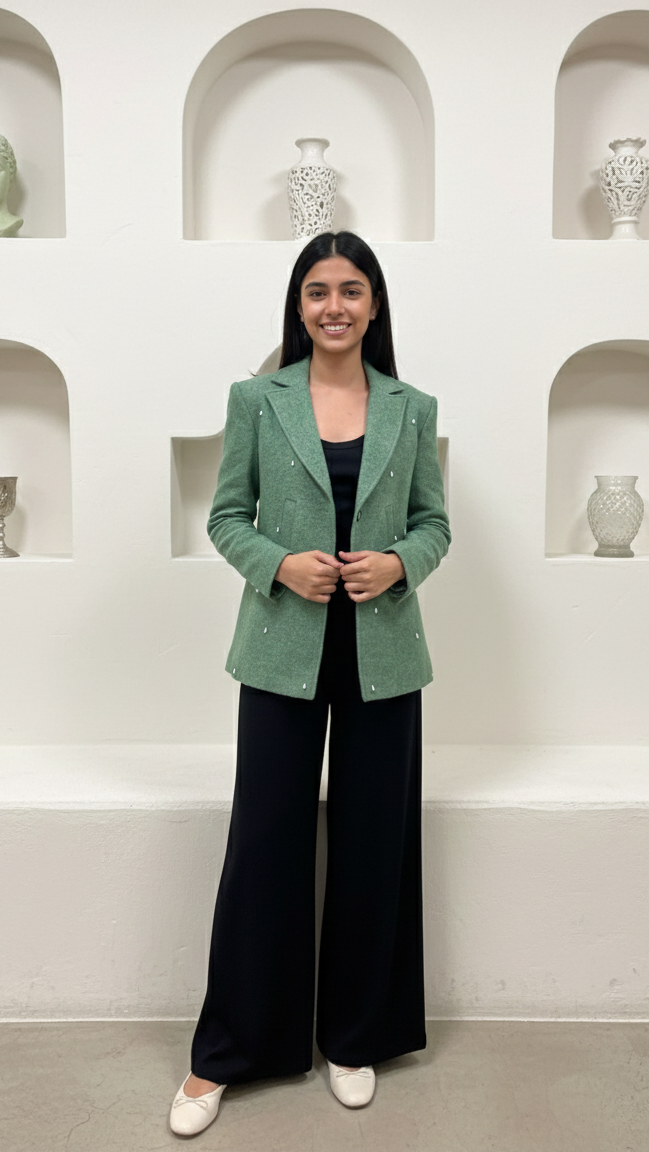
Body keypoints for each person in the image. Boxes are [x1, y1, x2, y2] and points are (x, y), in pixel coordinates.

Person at [169, 230, 451, 1137]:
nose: (335, 306)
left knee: (375, 843)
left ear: (374, 305)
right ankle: (229, 1052)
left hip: (383, 656)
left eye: (352, 290)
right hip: (281, 650)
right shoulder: (257, 399)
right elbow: (223, 517)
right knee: (267, 842)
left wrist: (399, 563)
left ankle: (355, 1037)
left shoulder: (412, 406)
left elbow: (433, 523)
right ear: (298, 305)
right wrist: (279, 564)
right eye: (318, 290)